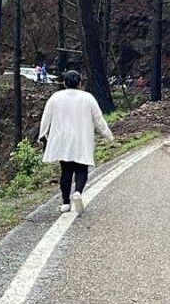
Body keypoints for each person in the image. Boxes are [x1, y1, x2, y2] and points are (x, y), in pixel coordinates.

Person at [38, 70, 114, 215]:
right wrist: (108, 136)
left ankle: (65, 203)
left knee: (66, 171)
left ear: (64, 83)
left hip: (62, 139)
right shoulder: (87, 97)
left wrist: (43, 135)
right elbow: (98, 119)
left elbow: (46, 118)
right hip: (82, 138)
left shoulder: (55, 97)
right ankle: (78, 192)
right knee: (81, 168)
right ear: (80, 83)